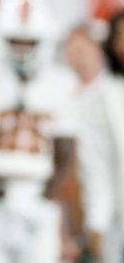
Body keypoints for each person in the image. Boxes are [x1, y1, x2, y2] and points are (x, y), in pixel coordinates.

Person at [0, 0, 77, 263]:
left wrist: (42, 198)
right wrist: (3, 196)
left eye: (29, 42)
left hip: (38, 194)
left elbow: (66, 152)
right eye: (15, 41)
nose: (22, 49)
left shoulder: (61, 83)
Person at [65, 26, 124, 263]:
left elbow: (104, 163)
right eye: (72, 51)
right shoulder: (63, 92)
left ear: (98, 50)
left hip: (108, 212)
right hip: (75, 207)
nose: (78, 57)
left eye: (83, 49)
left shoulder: (113, 94)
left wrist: (98, 220)